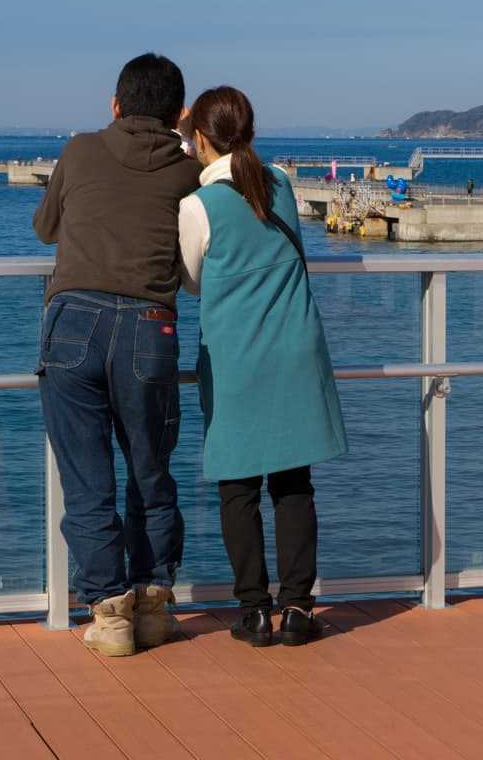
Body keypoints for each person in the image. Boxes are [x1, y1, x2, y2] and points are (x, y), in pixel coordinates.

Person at [34, 53, 201, 658]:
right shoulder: (188, 173)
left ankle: (109, 617)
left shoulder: (79, 150)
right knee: (150, 475)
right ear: (179, 115)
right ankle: (154, 605)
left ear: (114, 105)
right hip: (150, 330)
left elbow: (45, 228)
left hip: (73, 322)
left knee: (87, 483)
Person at [179, 86, 347, 648]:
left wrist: (184, 144)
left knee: (238, 486)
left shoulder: (197, 206)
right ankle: (299, 607)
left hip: (236, 357)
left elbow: (191, 280)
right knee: (294, 482)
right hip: (293, 349)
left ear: (198, 136)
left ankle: (253, 610)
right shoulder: (279, 182)